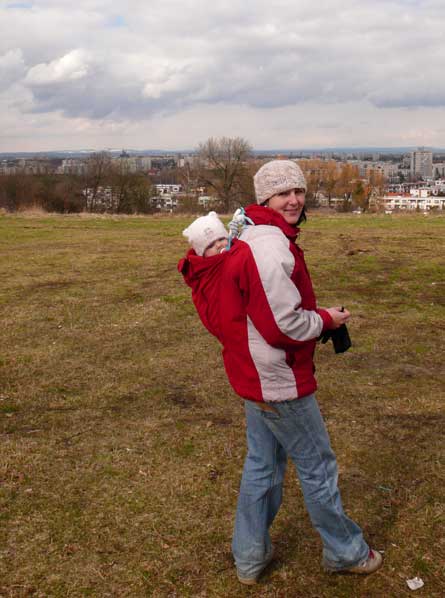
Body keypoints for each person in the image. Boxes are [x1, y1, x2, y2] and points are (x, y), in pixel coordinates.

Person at [179, 161, 382, 585]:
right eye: (282, 193)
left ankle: (250, 558)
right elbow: (282, 324)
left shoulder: (250, 233)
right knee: (318, 466)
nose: (293, 200)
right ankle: (345, 551)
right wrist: (325, 319)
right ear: (264, 198)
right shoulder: (269, 245)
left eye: (299, 191)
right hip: (277, 381)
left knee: (264, 465)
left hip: (254, 374)